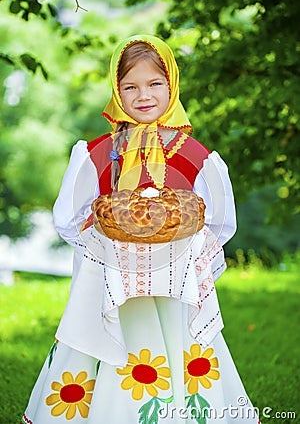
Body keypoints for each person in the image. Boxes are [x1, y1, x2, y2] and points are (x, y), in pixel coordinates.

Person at [21, 35, 259, 423]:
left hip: (174, 288)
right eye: (130, 86)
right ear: (116, 90)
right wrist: (107, 250)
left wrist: (177, 251)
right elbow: (68, 218)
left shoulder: (197, 157)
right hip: (109, 288)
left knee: (176, 344)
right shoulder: (98, 153)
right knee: (104, 347)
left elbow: (217, 223)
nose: (142, 95)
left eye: (154, 84)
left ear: (172, 85)